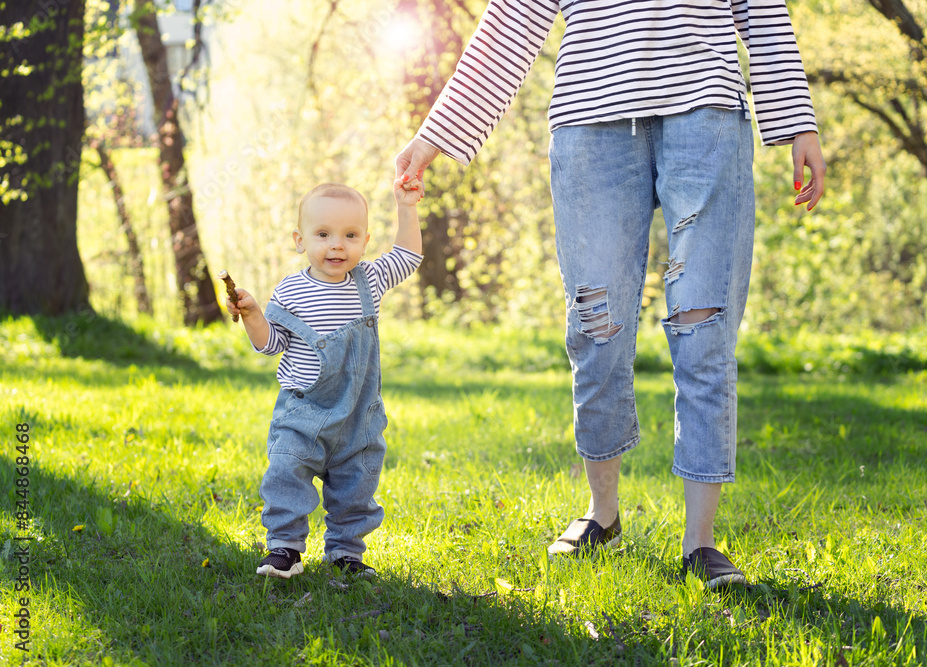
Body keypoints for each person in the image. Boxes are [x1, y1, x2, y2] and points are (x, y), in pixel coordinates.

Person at [396, 0, 826, 588]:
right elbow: (512, 20)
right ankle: (602, 514)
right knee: (594, 326)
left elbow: (764, 11)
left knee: (704, 324)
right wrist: (435, 135)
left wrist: (800, 122)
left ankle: (701, 542)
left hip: (706, 113)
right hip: (590, 123)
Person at [227, 179, 424, 578]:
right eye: (323, 235)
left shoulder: (370, 280)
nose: (337, 245)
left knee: (356, 486)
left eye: (350, 235)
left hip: (357, 415)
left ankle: (345, 553)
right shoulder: (291, 290)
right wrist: (252, 316)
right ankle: (284, 548)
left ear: (365, 241)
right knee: (286, 473)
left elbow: (408, 255)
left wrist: (407, 207)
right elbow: (271, 344)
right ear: (300, 240)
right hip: (304, 411)